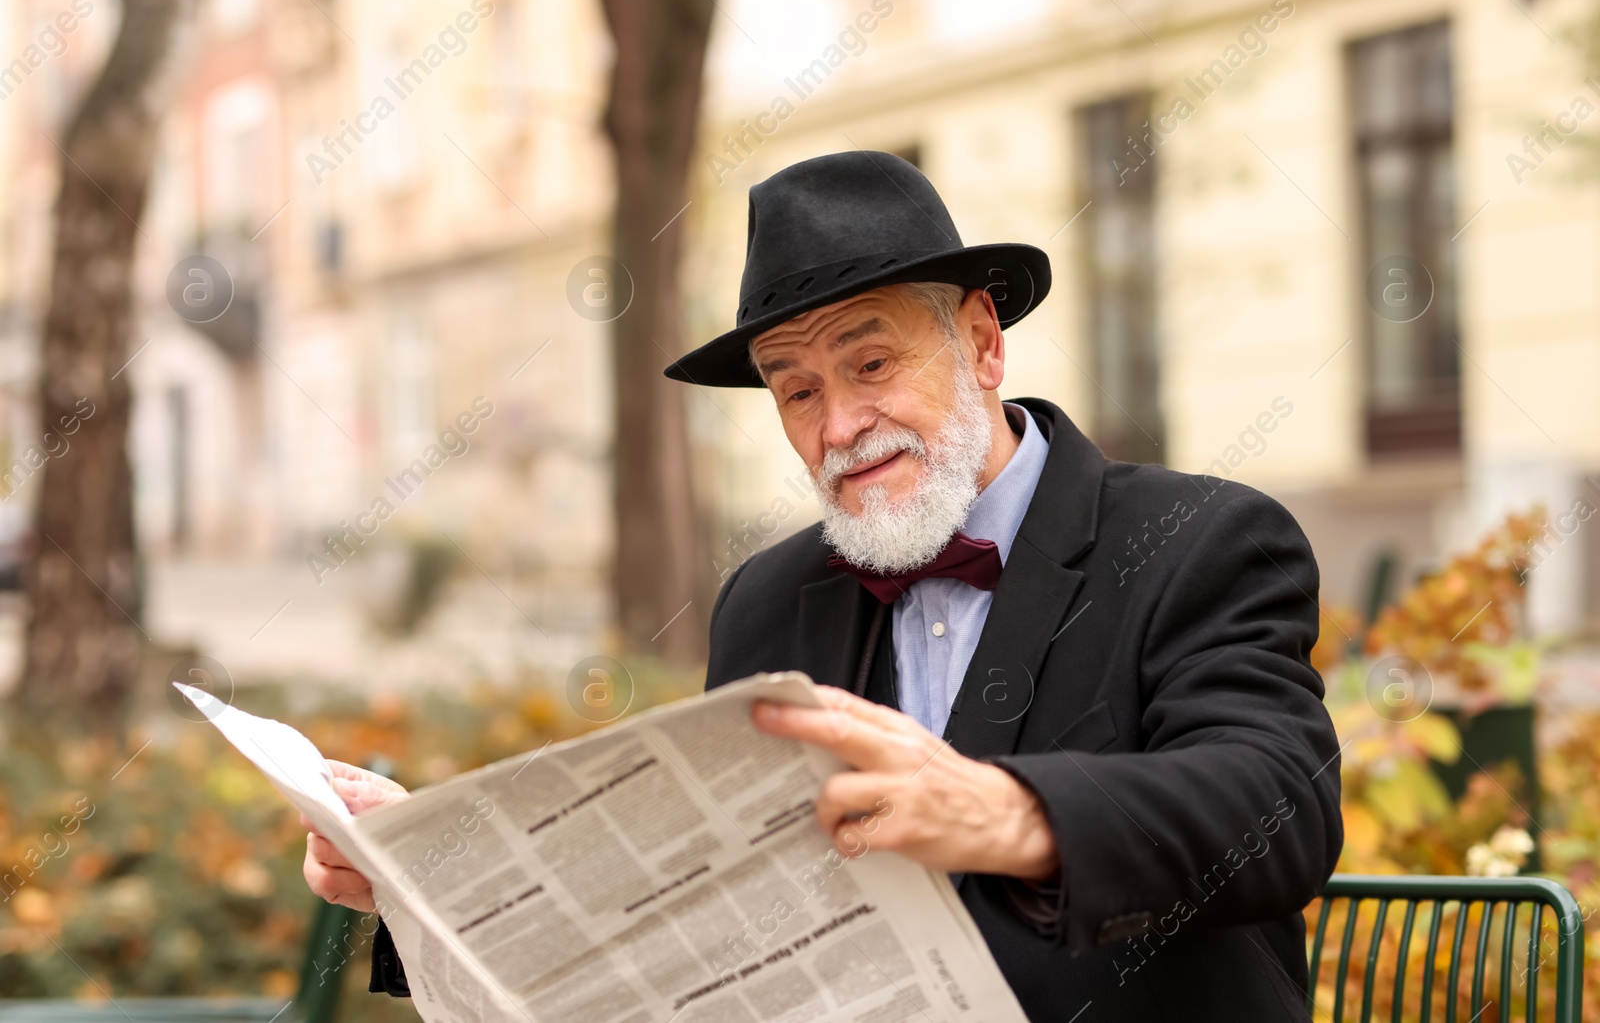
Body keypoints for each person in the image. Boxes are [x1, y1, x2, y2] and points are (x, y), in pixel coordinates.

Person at [304, 150, 1342, 1021]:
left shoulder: (1197, 538)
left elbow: (1277, 805)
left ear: (981, 342)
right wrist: (431, 880)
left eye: (872, 363)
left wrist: (1003, 809)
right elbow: (695, 904)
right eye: (796, 389)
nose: (836, 425)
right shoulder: (767, 596)